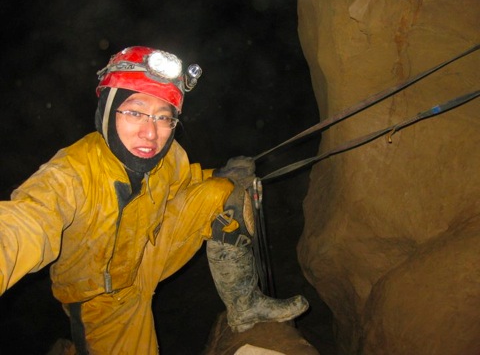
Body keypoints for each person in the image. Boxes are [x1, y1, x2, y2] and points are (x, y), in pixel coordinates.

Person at [0, 46, 308, 354]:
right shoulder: (70, 174)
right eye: (135, 112)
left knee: (223, 192)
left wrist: (223, 173)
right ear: (108, 110)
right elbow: (24, 224)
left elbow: (185, 180)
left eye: (164, 118)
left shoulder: (168, 156)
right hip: (103, 301)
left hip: (148, 253)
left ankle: (245, 307)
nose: (151, 132)